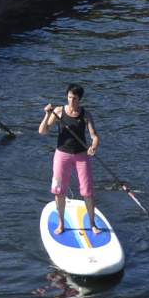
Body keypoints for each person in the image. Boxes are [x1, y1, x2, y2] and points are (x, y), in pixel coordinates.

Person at [37, 85, 100, 235]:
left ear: (80, 99)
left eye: (75, 98)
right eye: (70, 97)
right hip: (62, 155)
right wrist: (47, 114)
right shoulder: (58, 112)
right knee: (59, 191)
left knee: (87, 191)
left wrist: (94, 146)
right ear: (67, 97)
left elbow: (95, 136)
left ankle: (92, 224)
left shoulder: (85, 114)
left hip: (81, 156)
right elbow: (42, 131)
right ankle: (61, 224)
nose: (72, 101)